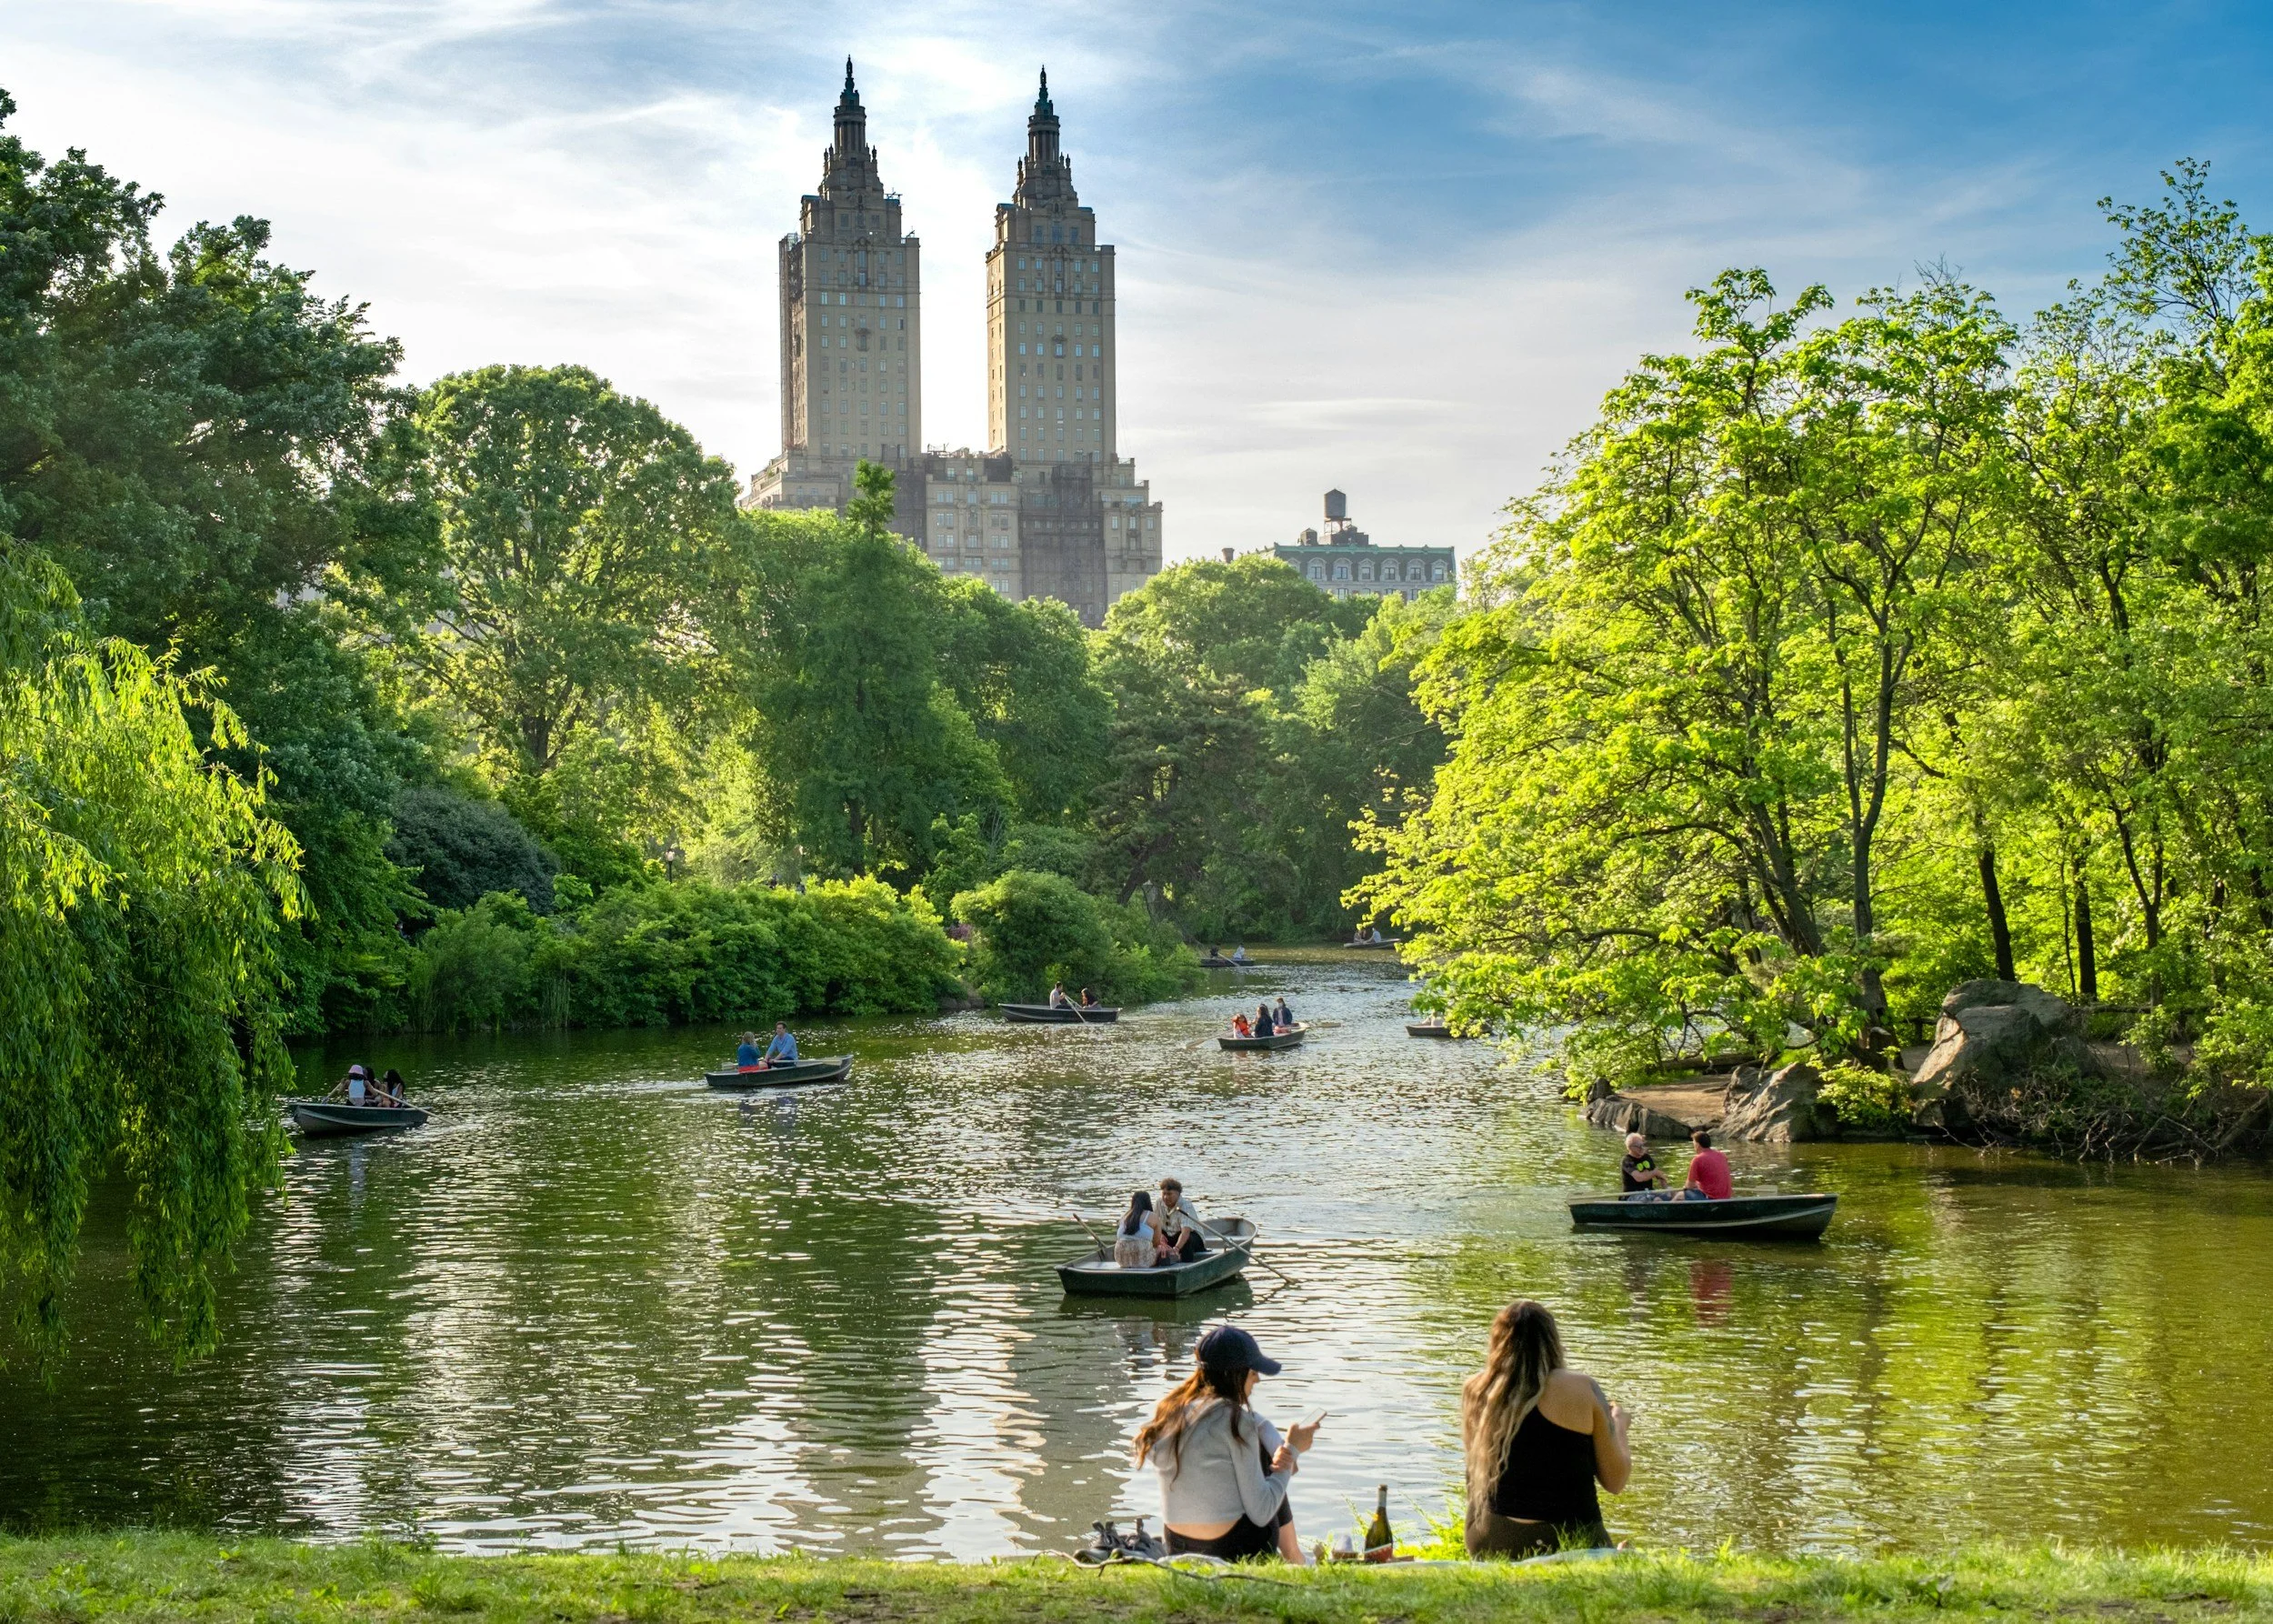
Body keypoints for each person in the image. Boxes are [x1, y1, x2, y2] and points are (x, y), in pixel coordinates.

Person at [1461, 1299, 1630, 1559]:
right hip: (1571, 1539)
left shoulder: (1477, 1389)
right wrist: (1618, 1426)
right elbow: (1615, 1481)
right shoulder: (1581, 1387)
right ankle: (1614, 1555)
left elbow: (1473, 1479)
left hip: (1491, 1541)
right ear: (1553, 1342)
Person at [1136, 1325, 1319, 1562]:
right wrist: (1291, 1450)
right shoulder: (1237, 1424)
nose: (1258, 1379)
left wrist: (1267, 1431)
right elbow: (1262, 1512)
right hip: (1233, 1547)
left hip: (1178, 1545)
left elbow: (1212, 1429)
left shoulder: (1170, 1415)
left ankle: (1296, 1557)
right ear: (1237, 1374)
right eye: (1253, 1371)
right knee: (1266, 1462)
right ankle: (1295, 1557)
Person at [1157, 1178, 1207, 1262]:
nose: (1166, 1197)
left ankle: (1186, 1265)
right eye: (1164, 1194)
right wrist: (1159, 1235)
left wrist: (1176, 1249)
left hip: (1191, 1238)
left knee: (1187, 1241)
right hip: (1170, 1235)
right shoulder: (1159, 1203)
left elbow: (1185, 1232)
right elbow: (1154, 1223)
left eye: (1169, 1194)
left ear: (1178, 1194)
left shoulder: (1186, 1205)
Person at [1677, 1129, 1733, 1200]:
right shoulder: (1721, 1155)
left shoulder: (1698, 1159)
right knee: (1693, 1189)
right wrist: (1697, 1185)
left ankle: (1668, 1210)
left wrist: (1686, 1187)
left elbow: (1689, 1186)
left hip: (1711, 1199)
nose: (1693, 1145)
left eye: (1693, 1143)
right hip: (1726, 1198)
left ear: (1697, 1145)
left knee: (1680, 1195)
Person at [1115, 1191, 1159, 1268]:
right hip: (1143, 1261)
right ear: (1148, 1202)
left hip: (1121, 1260)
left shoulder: (1125, 1216)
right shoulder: (1153, 1216)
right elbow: (1156, 1243)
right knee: (1161, 1250)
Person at [1619, 1133, 1666, 1198]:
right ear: (1630, 1147)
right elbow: (1640, 1178)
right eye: (1639, 1146)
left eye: (1642, 1145)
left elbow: (1659, 1175)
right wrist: (1653, 1173)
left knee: (1671, 1196)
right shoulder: (1627, 1160)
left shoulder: (1646, 1157)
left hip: (1649, 1192)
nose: (1642, 1148)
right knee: (1656, 1200)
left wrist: (1666, 1188)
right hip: (1633, 1195)